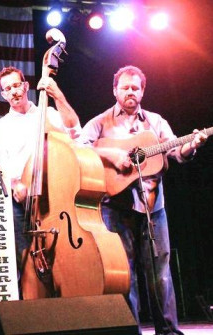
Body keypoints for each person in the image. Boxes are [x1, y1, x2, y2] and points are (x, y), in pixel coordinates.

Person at [82, 65, 208, 335]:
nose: (130, 92)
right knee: (124, 274)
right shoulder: (100, 122)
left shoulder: (155, 121)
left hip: (153, 206)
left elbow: (175, 150)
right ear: (115, 90)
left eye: (135, 88)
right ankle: (130, 331)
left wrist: (191, 146)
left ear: (142, 91)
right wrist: (112, 156)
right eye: (125, 87)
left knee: (160, 273)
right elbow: (79, 147)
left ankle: (168, 331)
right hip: (116, 207)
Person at [0, 66, 81, 283]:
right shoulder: (0, 127)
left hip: (55, 195)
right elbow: (1, 166)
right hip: (22, 203)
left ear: (26, 86)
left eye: (16, 85)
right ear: (2, 94)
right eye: (7, 88)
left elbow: (75, 130)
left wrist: (57, 95)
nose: (13, 91)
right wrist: (15, 184)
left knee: (62, 255)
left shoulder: (47, 113)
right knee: (24, 259)